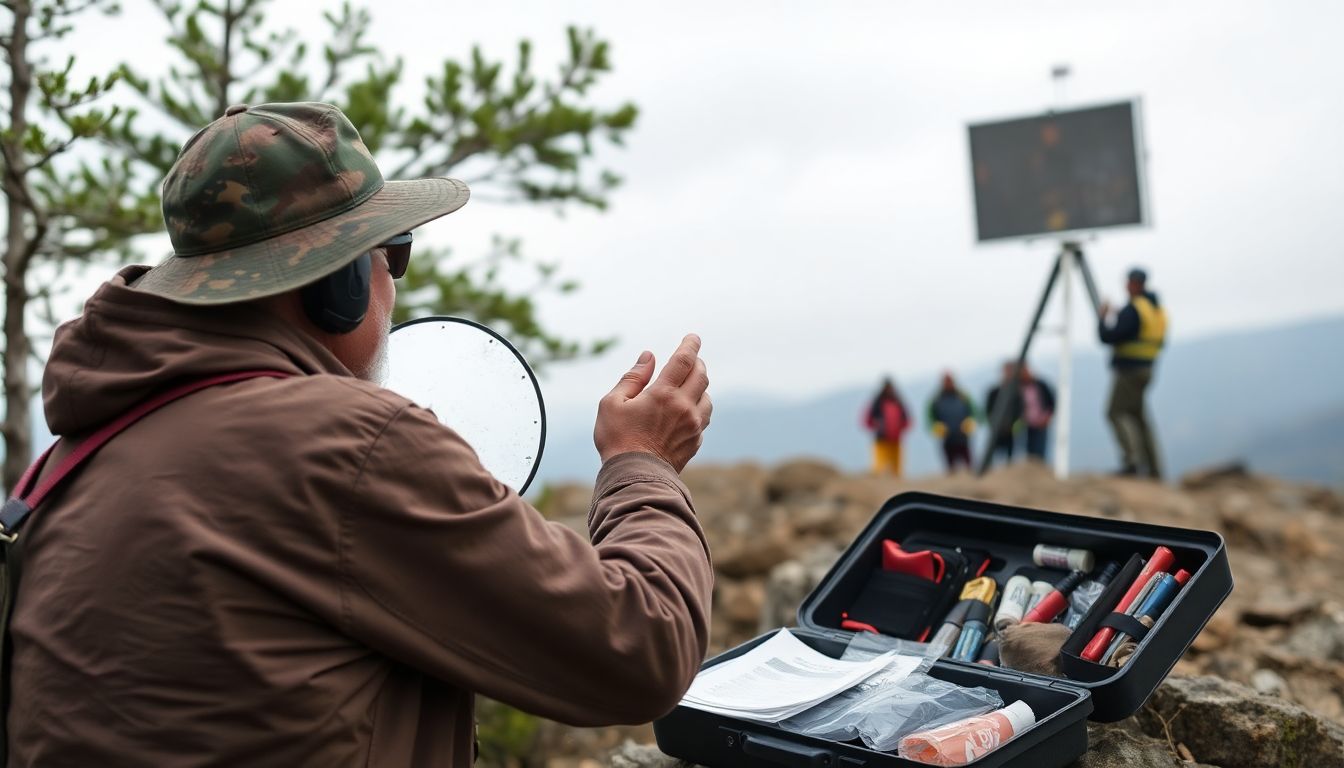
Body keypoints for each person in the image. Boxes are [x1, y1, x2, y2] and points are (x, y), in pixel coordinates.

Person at [5, 103, 715, 766]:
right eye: (391, 253)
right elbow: (641, 647)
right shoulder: (346, 444)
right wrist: (641, 462)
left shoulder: (75, 458)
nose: (394, 281)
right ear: (340, 284)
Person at [1098, 267, 1167, 478]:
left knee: (1115, 411)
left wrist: (1103, 319)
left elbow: (1109, 337)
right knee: (1138, 417)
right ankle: (1155, 469)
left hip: (1129, 371)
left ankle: (1132, 463)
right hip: (1148, 369)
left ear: (1134, 284)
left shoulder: (1134, 309)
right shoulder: (1155, 309)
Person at [925, 372, 979, 473]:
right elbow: (930, 418)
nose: (948, 383)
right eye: (946, 381)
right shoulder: (936, 400)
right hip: (947, 438)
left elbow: (973, 412)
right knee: (951, 468)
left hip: (962, 436)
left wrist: (970, 422)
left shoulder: (963, 396)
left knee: (969, 465)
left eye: (949, 381)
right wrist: (936, 427)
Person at [863, 377, 910, 476]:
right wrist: (877, 426)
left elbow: (906, 418)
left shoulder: (898, 401)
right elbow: (868, 419)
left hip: (896, 438)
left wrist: (902, 427)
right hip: (881, 438)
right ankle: (879, 480)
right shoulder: (877, 402)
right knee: (880, 464)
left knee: (896, 467)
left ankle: (896, 481)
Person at [984, 362, 1024, 467]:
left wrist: (1015, 424)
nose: (1008, 374)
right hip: (996, 429)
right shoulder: (994, 392)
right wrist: (993, 423)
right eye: (1007, 371)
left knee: (1010, 457)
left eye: (1011, 372)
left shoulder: (1017, 392)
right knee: (992, 454)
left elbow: (1020, 410)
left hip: (1011, 430)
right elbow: (988, 410)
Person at [1018, 363, 1056, 461]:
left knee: (1040, 447)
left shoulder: (1041, 385)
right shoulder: (1019, 387)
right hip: (1026, 423)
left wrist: (1047, 417)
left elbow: (1051, 402)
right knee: (1028, 447)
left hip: (1041, 421)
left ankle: (1039, 466)